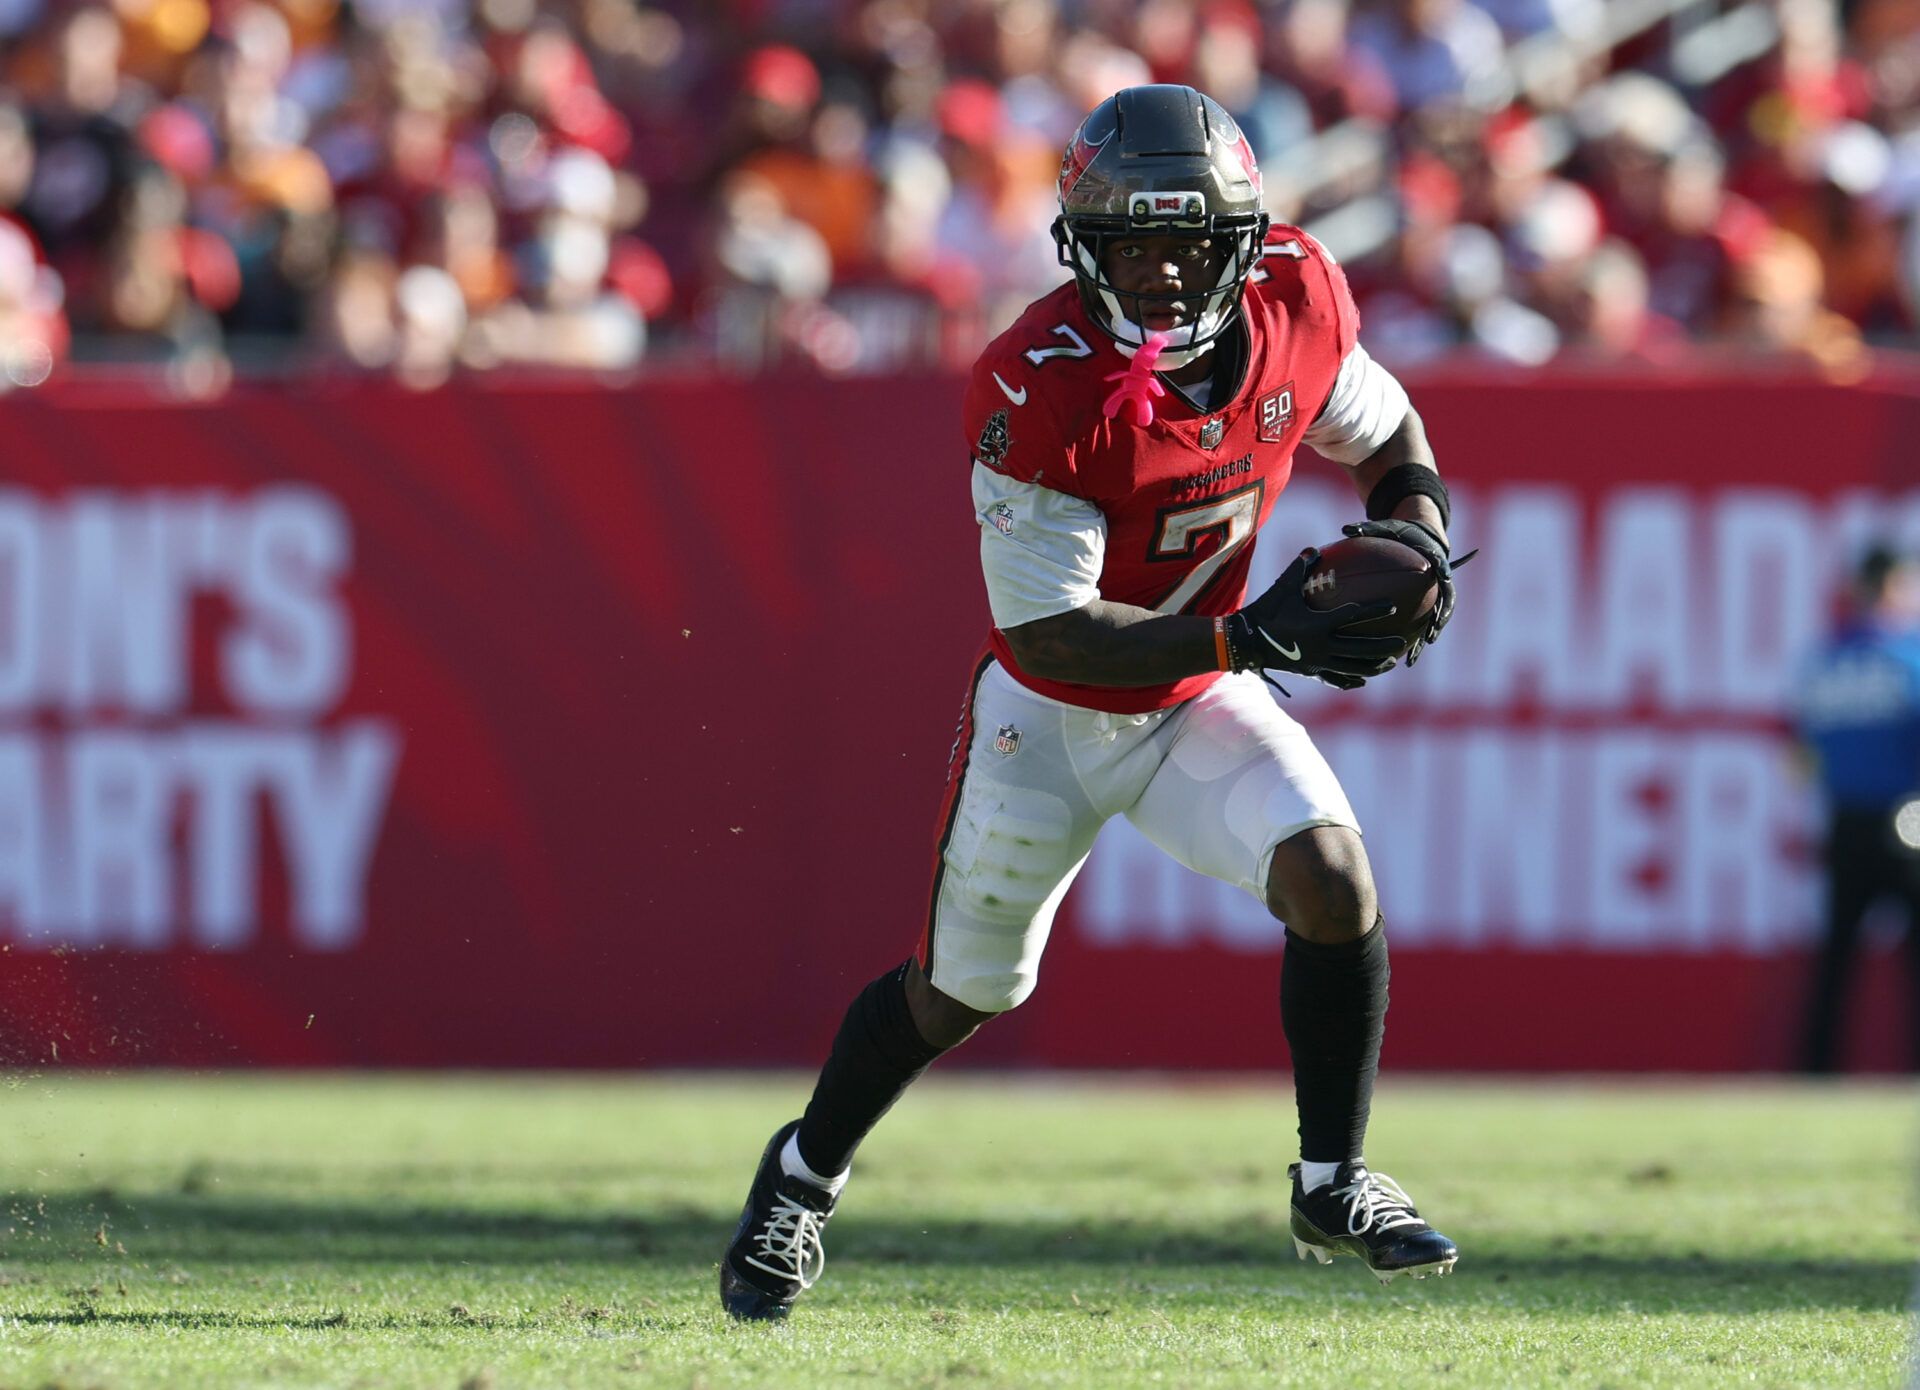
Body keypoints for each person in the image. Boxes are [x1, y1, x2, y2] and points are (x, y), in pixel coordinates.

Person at [719, 84, 1461, 1320]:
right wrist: (1249, 633)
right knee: (958, 993)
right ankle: (801, 1175)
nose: (1160, 274)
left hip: (1196, 695)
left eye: (1188, 245)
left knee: (1332, 878)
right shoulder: (1039, 383)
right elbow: (1050, 631)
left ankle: (1332, 1181)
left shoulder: (1297, 300)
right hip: (1051, 717)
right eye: (1130, 246)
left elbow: (1384, 433)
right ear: (1081, 247)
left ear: (1242, 243)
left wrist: (1419, 530)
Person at [1793, 545, 1920, 1072]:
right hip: (1910, 817)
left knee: (1836, 956)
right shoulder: (1910, 656)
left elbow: (1802, 751)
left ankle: (1816, 1072)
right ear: (1890, 587)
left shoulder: (1824, 659)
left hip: (1844, 817)